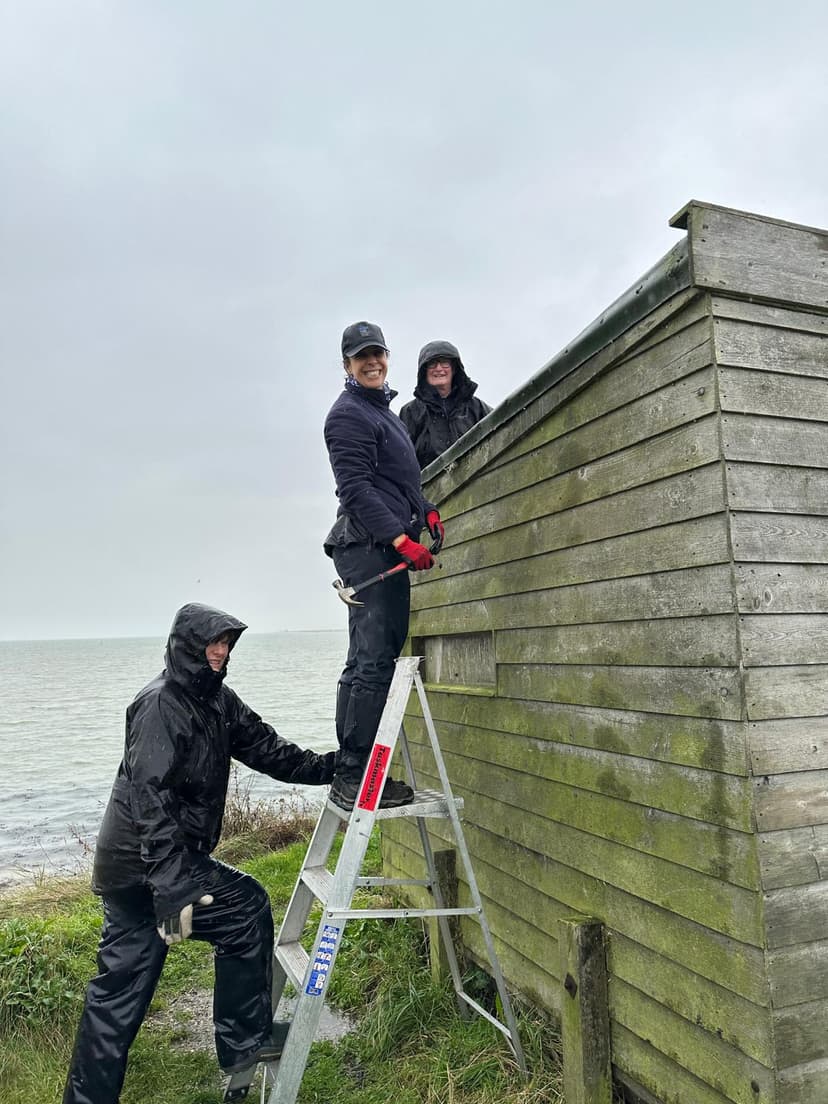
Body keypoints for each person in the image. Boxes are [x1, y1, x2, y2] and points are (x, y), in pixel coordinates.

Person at [63, 602, 336, 1104]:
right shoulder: (160, 703)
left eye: (228, 643)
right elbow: (150, 797)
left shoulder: (217, 700)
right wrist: (172, 890)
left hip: (148, 871)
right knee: (246, 908)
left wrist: (332, 768)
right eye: (213, 642)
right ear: (186, 644)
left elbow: (266, 748)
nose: (221, 651)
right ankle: (243, 1042)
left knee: (117, 997)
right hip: (143, 870)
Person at [323, 321, 444, 812]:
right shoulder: (348, 415)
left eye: (378, 354)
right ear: (347, 365)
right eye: (360, 357)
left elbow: (396, 481)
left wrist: (425, 509)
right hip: (370, 547)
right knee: (372, 663)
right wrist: (399, 538)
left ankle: (351, 773)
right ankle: (354, 778)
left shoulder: (382, 412)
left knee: (368, 660)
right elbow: (356, 490)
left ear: (387, 356)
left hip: (382, 544)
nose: (371, 362)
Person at [399, 339, 492, 469]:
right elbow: (401, 459)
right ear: (424, 371)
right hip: (428, 487)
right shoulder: (410, 412)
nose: (438, 368)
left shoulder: (477, 408)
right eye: (432, 364)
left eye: (444, 363)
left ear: (454, 369)